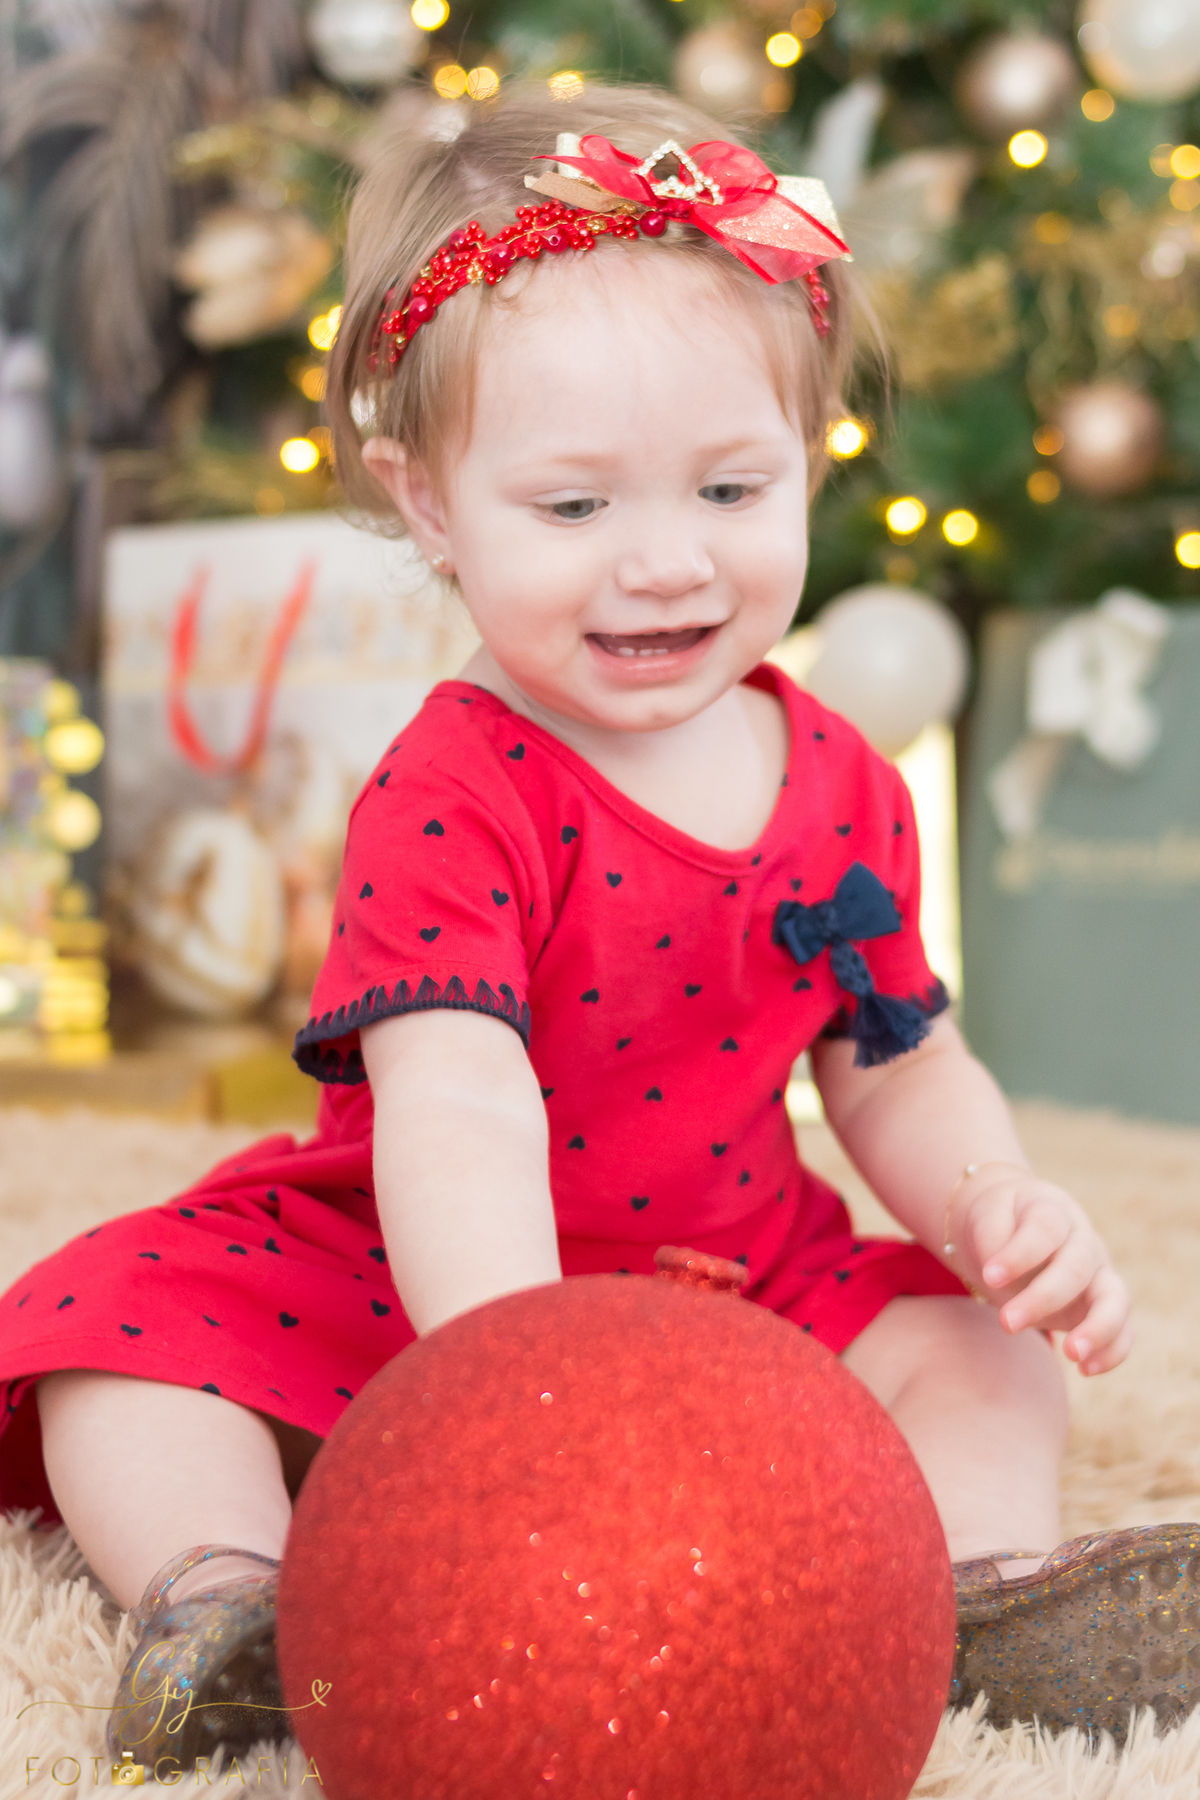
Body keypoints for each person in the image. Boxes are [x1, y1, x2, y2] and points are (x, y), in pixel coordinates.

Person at [0, 81, 1193, 1772]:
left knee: (982, 1350)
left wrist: (995, 1199)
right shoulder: (457, 787)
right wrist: (519, 1378)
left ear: (809, 460)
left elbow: (897, 1067)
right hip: (432, 1278)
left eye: (729, 490)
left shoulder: (842, 778)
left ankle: (961, 1587)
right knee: (111, 1336)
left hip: (730, 1270)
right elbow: (458, 1104)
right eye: (574, 510)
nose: (664, 566)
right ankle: (235, 1594)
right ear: (431, 505)